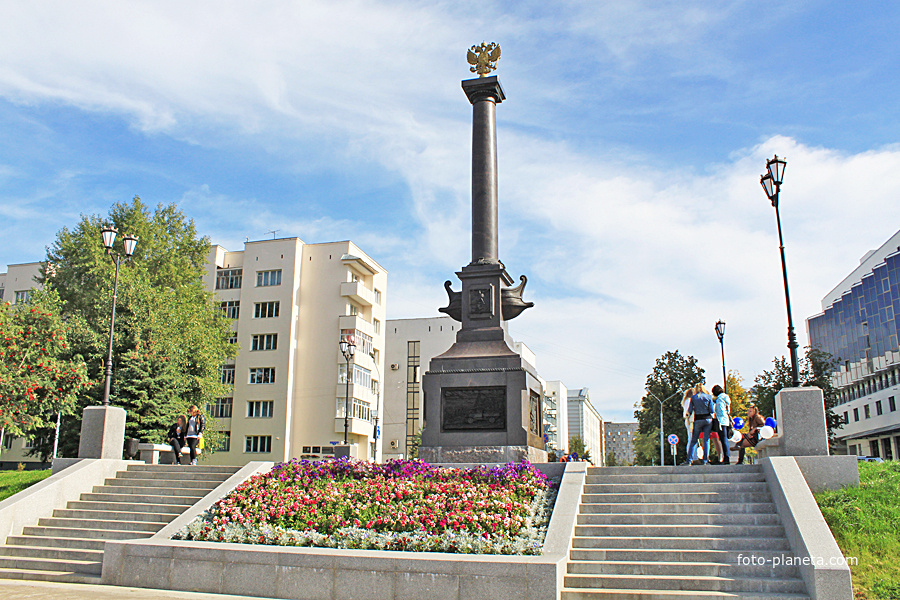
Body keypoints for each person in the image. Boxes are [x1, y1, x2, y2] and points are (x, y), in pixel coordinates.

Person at [682, 384, 715, 465]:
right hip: (707, 419)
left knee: (693, 440)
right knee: (706, 440)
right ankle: (705, 460)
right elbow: (712, 410)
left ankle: (689, 460)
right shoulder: (708, 397)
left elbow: (689, 410)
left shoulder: (693, 398)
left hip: (698, 420)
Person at [712, 384, 731, 465]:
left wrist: (717, 417)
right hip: (726, 421)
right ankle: (726, 457)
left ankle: (726, 458)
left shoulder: (719, 400)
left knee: (723, 440)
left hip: (721, 422)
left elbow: (720, 411)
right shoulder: (726, 398)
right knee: (724, 440)